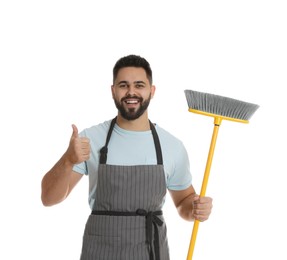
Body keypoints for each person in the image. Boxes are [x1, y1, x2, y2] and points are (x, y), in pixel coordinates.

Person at [41, 54, 213, 260]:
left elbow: (183, 202)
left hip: (150, 252)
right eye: (123, 85)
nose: (131, 91)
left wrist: (195, 209)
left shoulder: (172, 146)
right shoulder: (90, 139)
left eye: (139, 85)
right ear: (113, 91)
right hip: (100, 252)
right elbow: (48, 198)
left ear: (152, 91)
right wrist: (68, 160)